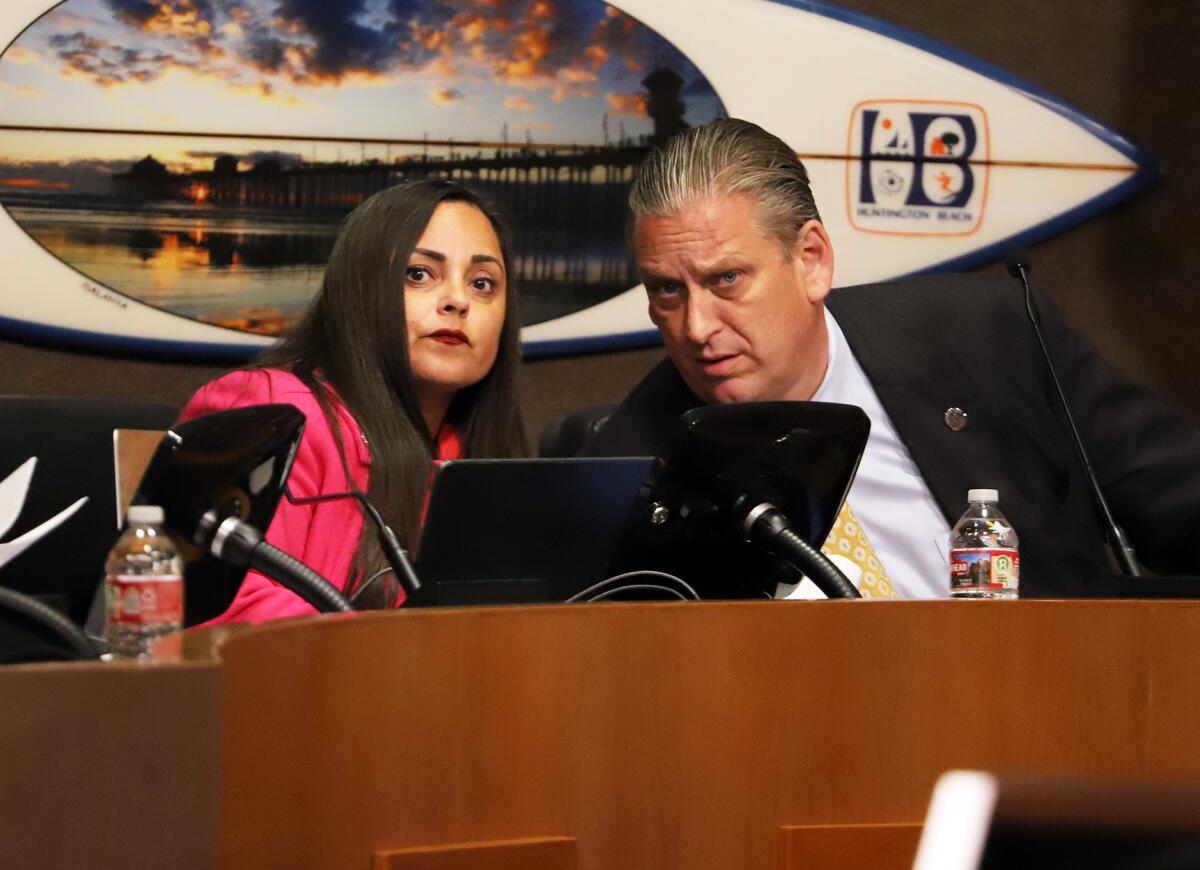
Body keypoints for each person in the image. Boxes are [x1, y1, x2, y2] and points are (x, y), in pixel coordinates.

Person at [582, 118, 1200, 597]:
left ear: (812, 261)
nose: (695, 327)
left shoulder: (992, 336)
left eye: (725, 281)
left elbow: (1180, 501)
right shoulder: (623, 472)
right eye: (666, 289)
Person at [180, 180, 527, 623]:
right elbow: (226, 606)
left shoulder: (477, 454)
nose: (458, 300)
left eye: (482, 283)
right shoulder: (273, 410)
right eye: (419, 274)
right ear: (360, 291)